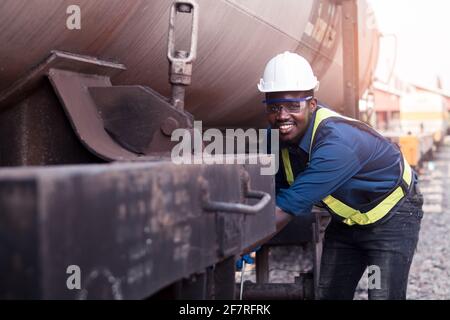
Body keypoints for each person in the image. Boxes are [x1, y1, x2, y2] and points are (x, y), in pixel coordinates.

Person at [258, 51, 423, 300]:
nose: (282, 116)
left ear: (312, 105)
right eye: (274, 107)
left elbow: (290, 205)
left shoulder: (337, 143)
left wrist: (240, 247)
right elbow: (278, 195)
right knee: (330, 294)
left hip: (390, 223)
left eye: (293, 106)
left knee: (380, 293)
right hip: (347, 223)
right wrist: (253, 240)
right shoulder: (279, 140)